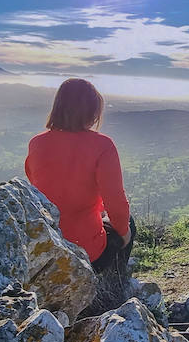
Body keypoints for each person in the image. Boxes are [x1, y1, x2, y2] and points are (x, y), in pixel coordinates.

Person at [24, 78, 134, 312]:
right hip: (87, 252)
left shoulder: (36, 144)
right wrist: (124, 235)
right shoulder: (102, 145)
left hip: (49, 249)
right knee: (128, 224)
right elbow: (117, 204)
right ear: (92, 111)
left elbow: (38, 191)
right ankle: (113, 288)